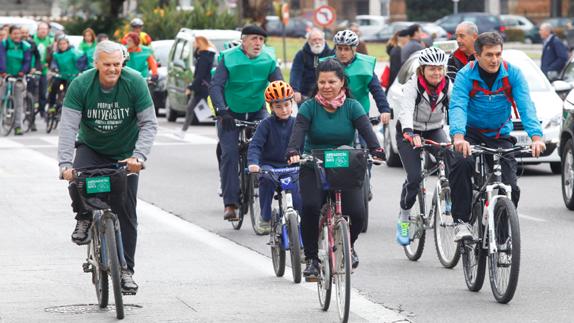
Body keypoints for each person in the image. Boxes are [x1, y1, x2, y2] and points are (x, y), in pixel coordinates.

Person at [58, 40, 158, 294]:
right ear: (96, 64)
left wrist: (139, 156)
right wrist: (65, 163)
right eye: (107, 65)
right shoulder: (81, 84)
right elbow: (69, 126)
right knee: (77, 180)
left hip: (126, 154)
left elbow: (149, 123)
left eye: (117, 64)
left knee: (126, 212)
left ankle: (126, 271)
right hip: (91, 148)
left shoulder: (134, 82)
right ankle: (83, 217)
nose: (113, 69)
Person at [286, 59, 384, 277]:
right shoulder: (309, 107)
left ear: (342, 83)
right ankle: (312, 258)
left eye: (332, 81)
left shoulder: (352, 106)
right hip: (315, 162)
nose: (327, 86)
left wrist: (376, 149)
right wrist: (293, 151)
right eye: (322, 82)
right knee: (310, 207)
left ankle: (349, 245)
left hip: (342, 162)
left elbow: (366, 131)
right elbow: (299, 131)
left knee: (357, 213)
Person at [447, 32, 545, 241]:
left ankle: (501, 234)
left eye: (498, 54)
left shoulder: (513, 74)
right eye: (489, 55)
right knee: (462, 164)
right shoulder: (466, 75)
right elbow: (457, 106)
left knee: (511, 186)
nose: (494, 60)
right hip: (469, 134)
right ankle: (461, 222)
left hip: (499, 134)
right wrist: (458, 137)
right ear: (477, 55)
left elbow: (526, 106)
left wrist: (536, 137)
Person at [209, 25, 283, 221]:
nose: (258, 43)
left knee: (270, 141)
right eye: (253, 39)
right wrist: (222, 111)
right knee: (230, 154)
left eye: (261, 39)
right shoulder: (228, 57)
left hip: (258, 108)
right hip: (231, 111)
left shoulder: (268, 58)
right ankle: (231, 203)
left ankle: (267, 184)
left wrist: (283, 105)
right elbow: (216, 86)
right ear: (243, 40)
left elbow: (279, 85)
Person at [395, 47, 452, 245]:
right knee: (414, 177)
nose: (437, 73)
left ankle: (448, 198)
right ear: (422, 70)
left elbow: (455, 109)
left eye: (440, 69)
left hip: (434, 129)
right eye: (432, 69)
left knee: (452, 159)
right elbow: (406, 110)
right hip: (409, 132)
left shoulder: (447, 85)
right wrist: (410, 132)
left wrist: (459, 133)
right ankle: (404, 216)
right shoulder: (414, 86)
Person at [247, 81, 302, 233]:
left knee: (300, 192)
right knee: (267, 179)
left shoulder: (298, 123)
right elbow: (255, 146)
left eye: (287, 105)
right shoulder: (266, 124)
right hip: (270, 165)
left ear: (292, 103)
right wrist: (253, 163)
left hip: (293, 166)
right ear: (271, 108)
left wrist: (303, 156)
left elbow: (307, 143)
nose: (284, 110)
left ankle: (303, 221)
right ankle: (265, 217)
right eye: (278, 106)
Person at [327, 29, 391, 125]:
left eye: (346, 49)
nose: (342, 53)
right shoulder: (327, 65)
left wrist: (384, 109)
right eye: (339, 48)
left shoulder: (365, 65)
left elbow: (376, 89)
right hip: (334, 112)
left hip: (360, 111)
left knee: (365, 139)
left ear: (354, 50)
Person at [178, 36, 216, 134]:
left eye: (195, 42)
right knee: (192, 108)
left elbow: (200, 75)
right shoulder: (205, 55)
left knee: (211, 108)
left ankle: (183, 131)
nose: (194, 44)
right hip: (203, 86)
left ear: (200, 43)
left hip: (202, 87)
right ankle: (183, 130)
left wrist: (191, 87)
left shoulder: (204, 57)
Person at [0, 25, 32, 136]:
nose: (17, 36)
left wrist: (23, 71)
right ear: (10, 34)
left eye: (19, 33)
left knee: (19, 102)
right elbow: (2, 57)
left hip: (18, 76)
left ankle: (18, 126)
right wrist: (3, 71)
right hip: (5, 75)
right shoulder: (4, 44)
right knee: (1, 98)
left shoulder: (25, 46)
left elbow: (27, 60)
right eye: (15, 33)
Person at [289, 28, 332, 103]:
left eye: (320, 39)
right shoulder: (301, 54)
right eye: (314, 40)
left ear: (324, 40)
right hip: (305, 94)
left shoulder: (331, 54)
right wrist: (295, 90)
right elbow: (296, 73)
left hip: (326, 92)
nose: (317, 42)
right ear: (308, 41)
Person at [48, 36, 85, 111]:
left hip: (72, 77)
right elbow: (54, 63)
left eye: (64, 43)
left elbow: (79, 61)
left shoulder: (73, 52)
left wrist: (81, 69)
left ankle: (69, 107)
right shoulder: (56, 54)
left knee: (70, 91)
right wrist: (54, 68)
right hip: (61, 76)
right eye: (60, 44)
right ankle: (51, 105)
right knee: (54, 86)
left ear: (68, 44)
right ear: (58, 45)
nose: (62, 45)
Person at [33, 22, 53, 117]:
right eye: (41, 29)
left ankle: (42, 111)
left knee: (43, 92)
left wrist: (48, 64)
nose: (43, 31)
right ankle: (31, 110)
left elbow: (53, 55)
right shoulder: (33, 39)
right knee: (33, 91)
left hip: (44, 70)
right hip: (33, 69)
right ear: (38, 30)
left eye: (45, 29)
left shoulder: (50, 41)